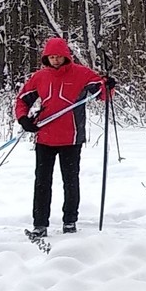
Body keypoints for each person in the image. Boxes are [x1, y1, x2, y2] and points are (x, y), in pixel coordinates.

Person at [14, 35, 112, 237]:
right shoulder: (40, 77)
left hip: (71, 138)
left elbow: (101, 93)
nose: (56, 60)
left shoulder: (81, 74)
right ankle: (40, 224)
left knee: (70, 180)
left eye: (59, 56)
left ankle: (70, 221)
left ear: (66, 56)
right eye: (52, 57)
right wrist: (23, 119)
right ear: (46, 58)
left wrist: (108, 86)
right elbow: (22, 100)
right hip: (45, 137)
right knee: (42, 181)